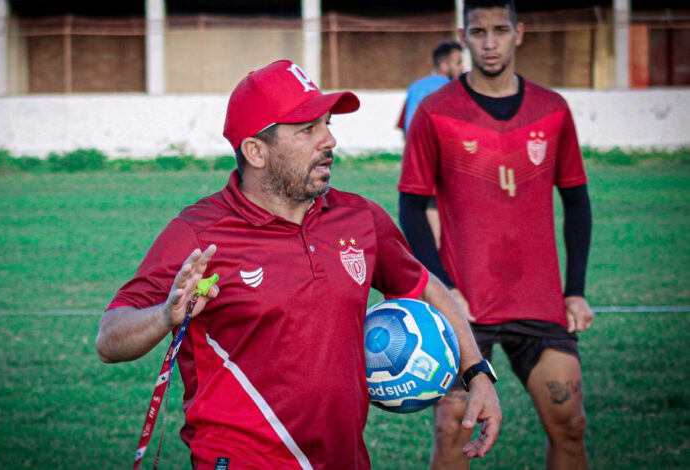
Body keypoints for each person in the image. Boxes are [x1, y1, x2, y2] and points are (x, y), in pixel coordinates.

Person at [97, 59, 501, 469]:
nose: (329, 141)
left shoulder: (360, 218)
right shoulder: (198, 234)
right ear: (256, 151)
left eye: (327, 125)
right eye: (308, 130)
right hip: (240, 460)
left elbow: (424, 286)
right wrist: (165, 316)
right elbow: (110, 338)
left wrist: (477, 373)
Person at [398, 1, 594, 469]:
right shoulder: (435, 111)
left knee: (569, 424)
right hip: (465, 303)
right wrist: (445, 290)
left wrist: (575, 291)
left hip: (538, 299)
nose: (489, 43)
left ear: (519, 33)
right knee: (452, 431)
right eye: (479, 31)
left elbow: (577, 201)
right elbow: (410, 206)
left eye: (500, 30)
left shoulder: (552, 109)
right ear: (463, 36)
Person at [397, 40, 464, 249]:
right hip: (446, 161)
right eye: (458, 63)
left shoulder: (414, 87)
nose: (462, 68)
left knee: (425, 213)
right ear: (445, 65)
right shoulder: (454, 88)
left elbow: (404, 128)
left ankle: (430, 263)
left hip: (416, 160)